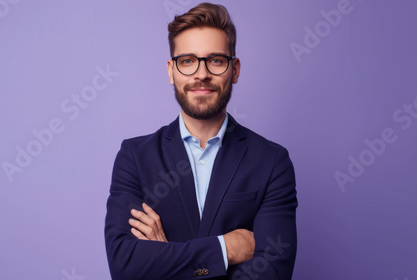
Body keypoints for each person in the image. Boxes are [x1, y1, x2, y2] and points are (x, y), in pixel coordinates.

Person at [104, 3, 297, 279]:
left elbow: (273, 272)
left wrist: (165, 258)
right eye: (187, 61)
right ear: (171, 71)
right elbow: (125, 266)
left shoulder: (272, 162)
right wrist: (225, 249)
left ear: (235, 69)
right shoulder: (134, 157)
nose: (201, 73)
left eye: (216, 60)